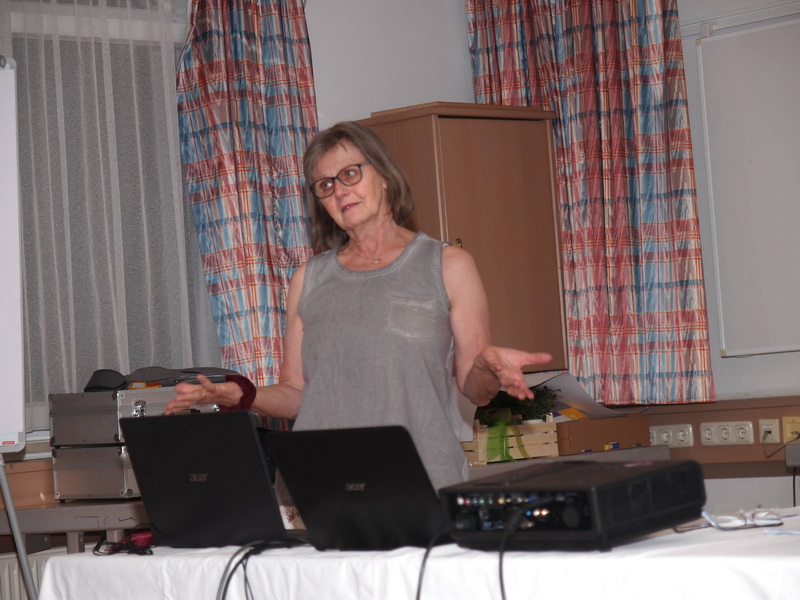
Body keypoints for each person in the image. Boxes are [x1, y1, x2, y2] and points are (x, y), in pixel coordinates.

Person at [166, 121, 551, 490]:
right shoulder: (308, 279)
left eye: (350, 174)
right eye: (325, 185)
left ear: (384, 175)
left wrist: (487, 366)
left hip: (421, 483)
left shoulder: (448, 265)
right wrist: (243, 395)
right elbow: (297, 393)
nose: (339, 191)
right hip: (324, 486)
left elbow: (477, 390)